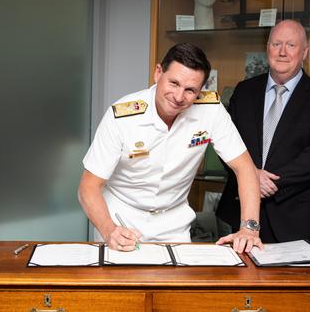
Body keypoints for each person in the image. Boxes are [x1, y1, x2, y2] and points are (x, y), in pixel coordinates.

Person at [78, 43, 262, 253]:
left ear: (201, 91)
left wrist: (249, 228)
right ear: (158, 73)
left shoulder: (211, 111)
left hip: (174, 224)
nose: (178, 96)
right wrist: (109, 229)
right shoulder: (122, 116)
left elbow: (244, 167)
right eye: (174, 83)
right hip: (121, 220)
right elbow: (88, 187)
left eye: (190, 90)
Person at [216, 19, 310, 243]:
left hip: (295, 217)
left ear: (304, 52)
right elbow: (224, 142)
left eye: (291, 45)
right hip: (238, 212)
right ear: (267, 49)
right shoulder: (244, 91)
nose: (282, 52)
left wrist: (270, 181)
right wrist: (251, 175)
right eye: (276, 44)